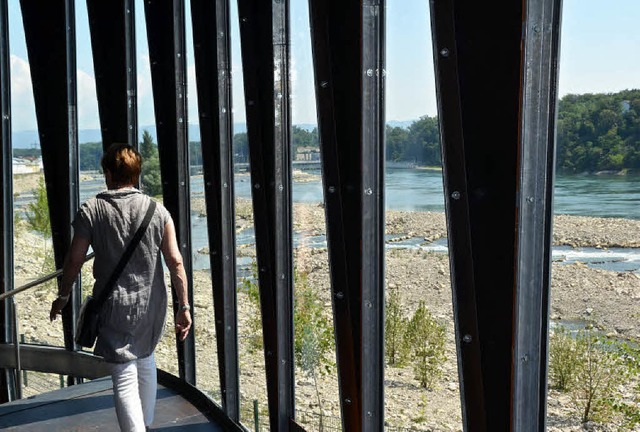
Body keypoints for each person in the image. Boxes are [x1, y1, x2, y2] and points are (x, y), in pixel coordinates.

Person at [49, 143, 192, 432]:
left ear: (107, 173)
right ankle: (146, 424)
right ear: (137, 174)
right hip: (152, 305)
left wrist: (63, 295)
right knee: (145, 359)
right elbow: (175, 262)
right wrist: (184, 306)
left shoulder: (93, 210)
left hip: (115, 306)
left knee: (123, 375)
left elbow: (74, 259)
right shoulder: (157, 211)